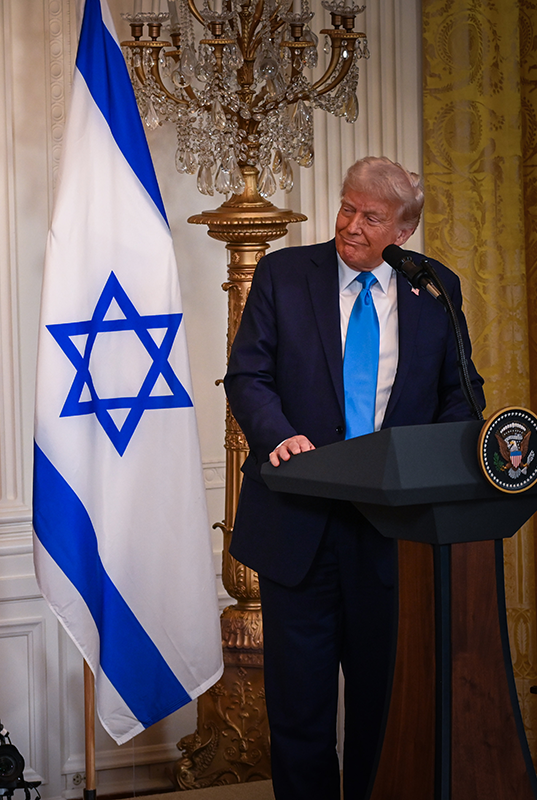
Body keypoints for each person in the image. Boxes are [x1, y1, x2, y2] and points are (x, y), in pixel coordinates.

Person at [223, 157, 484, 800]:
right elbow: (246, 376)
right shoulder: (286, 274)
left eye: (372, 216)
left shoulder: (435, 289)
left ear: (402, 231)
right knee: (301, 710)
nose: (352, 224)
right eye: (347, 207)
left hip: (392, 532)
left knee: (383, 702)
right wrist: (278, 434)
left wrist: (448, 454)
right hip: (299, 526)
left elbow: (462, 397)